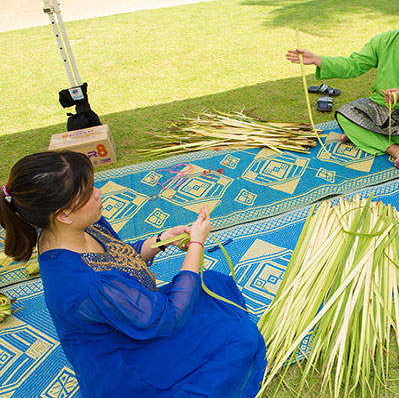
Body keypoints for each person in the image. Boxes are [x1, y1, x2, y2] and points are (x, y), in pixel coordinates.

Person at [0, 151, 266, 398]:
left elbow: (120, 256)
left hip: (125, 315)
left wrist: (160, 240)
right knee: (240, 338)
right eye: (89, 191)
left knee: (213, 286)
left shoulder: (72, 230)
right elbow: (170, 316)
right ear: (63, 215)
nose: (98, 192)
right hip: (125, 363)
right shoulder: (89, 284)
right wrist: (196, 244)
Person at [286, 0, 399, 169]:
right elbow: (354, 65)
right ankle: (393, 148)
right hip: (378, 107)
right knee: (345, 114)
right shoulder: (384, 41)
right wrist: (318, 60)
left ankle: (362, 134)